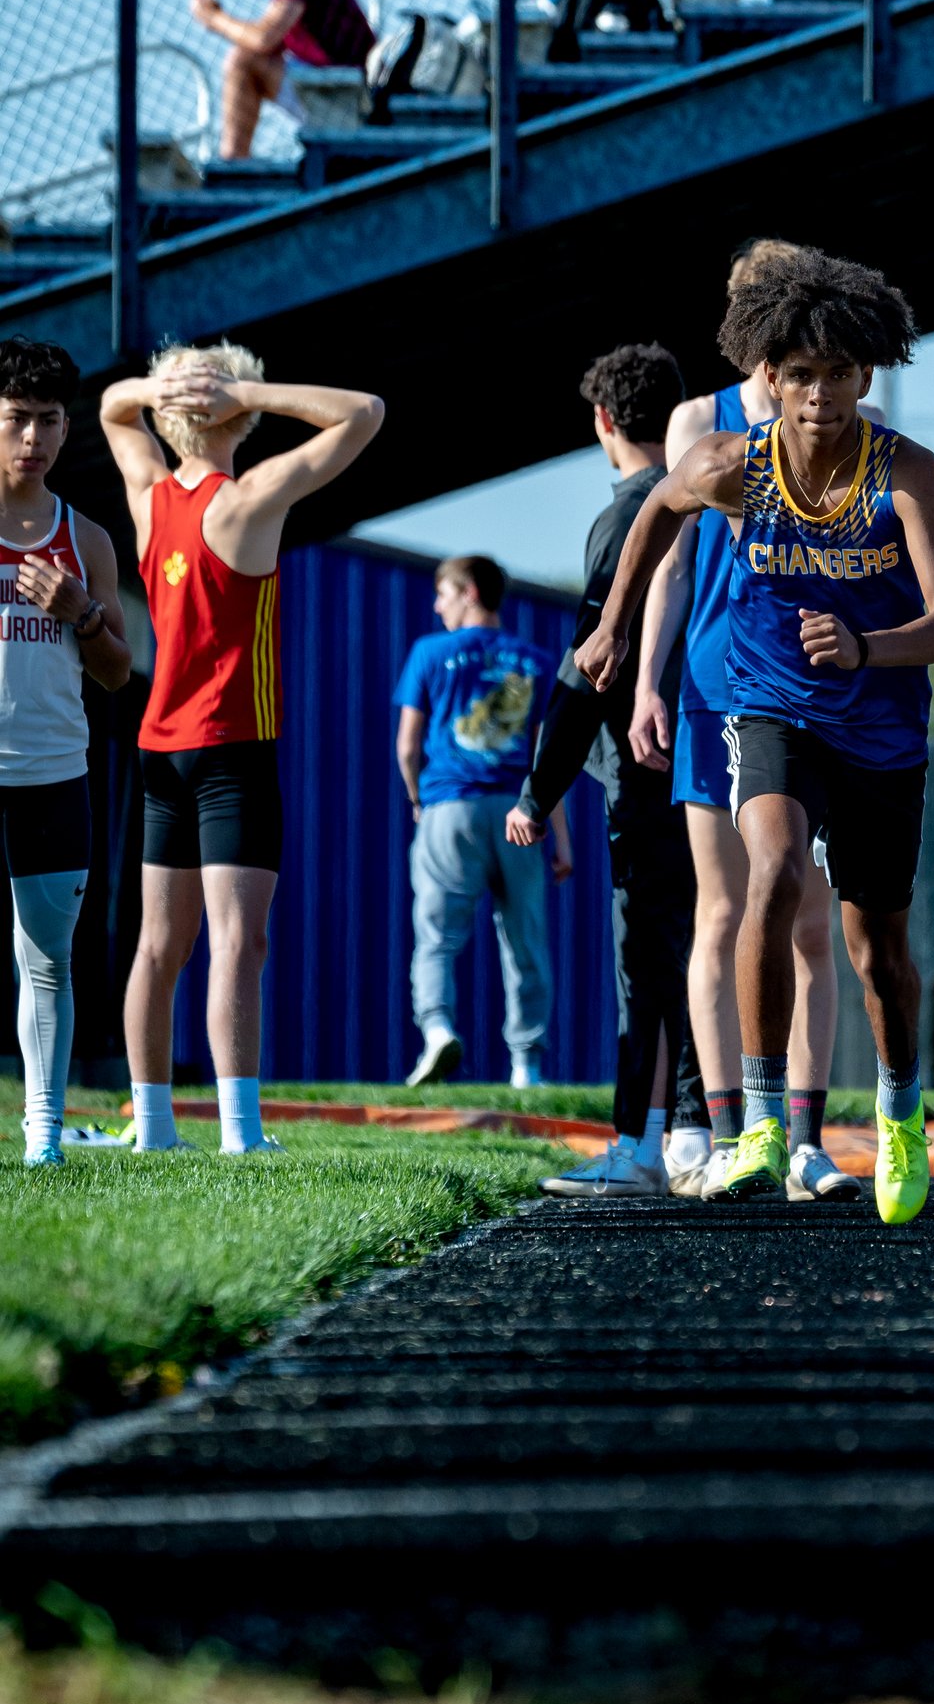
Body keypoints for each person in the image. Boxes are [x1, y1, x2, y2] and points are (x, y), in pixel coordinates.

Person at [571, 250, 934, 1228]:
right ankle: (755, 1120)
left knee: (873, 946)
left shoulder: (906, 471)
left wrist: (869, 643)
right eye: (800, 375)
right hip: (764, 699)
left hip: (876, 721)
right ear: (770, 377)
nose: (819, 395)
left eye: (838, 374)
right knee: (773, 869)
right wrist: (616, 625)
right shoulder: (726, 463)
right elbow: (654, 518)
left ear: (865, 376)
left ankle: (898, 1108)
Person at [100, 345, 384, 1152]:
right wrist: (249, 390)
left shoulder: (149, 496)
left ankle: (153, 1127)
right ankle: (239, 1131)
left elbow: (111, 408)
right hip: (232, 752)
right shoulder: (251, 497)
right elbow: (365, 411)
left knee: (162, 945)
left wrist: (163, 391)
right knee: (236, 941)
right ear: (238, 414)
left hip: (160, 751)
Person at [629, 239, 860, 1203]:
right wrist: (646, 677)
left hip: (810, 695)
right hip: (715, 685)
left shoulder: (853, 418)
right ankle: (727, 1127)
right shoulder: (700, 419)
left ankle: (805, 1136)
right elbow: (673, 556)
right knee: (721, 911)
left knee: (811, 918)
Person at [506, 344, 707, 1196]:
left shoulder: (630, 513)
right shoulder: (716, 496)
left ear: (603, 422)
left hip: (645, 767)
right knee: (703, 949)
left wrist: (538, 789)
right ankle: (700, 1132)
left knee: (648, 962)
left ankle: (639, 1142)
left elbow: (591, 658)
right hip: (717, 761)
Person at [0, 342, 132, 1166]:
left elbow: (119, 672)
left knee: (47, 965)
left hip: (51, 775)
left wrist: (80, 609)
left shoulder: (86, 538)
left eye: (49, 421)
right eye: (17, 419)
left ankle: (42, 1139)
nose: (34, 438)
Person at [395, 555, 572, 1091]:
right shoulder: (536, 661)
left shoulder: (428, 652)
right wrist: (561, 838)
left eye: (443, 594)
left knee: (437, 936)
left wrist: (417, 799)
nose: (437, 605)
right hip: (520, 812)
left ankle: (438, 1029)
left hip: (449, 806)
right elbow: (548, 761)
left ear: (469, 592)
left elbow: (407, 746)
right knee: (525, 941)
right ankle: (526, 1065)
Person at [192, 0, 375, 160]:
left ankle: (233, 161)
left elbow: (263, 37)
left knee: (242, 61)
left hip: (347, 99)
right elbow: (264, 43)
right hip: (336, 91)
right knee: (249, 57)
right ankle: (234, 160)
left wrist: (214, 18)